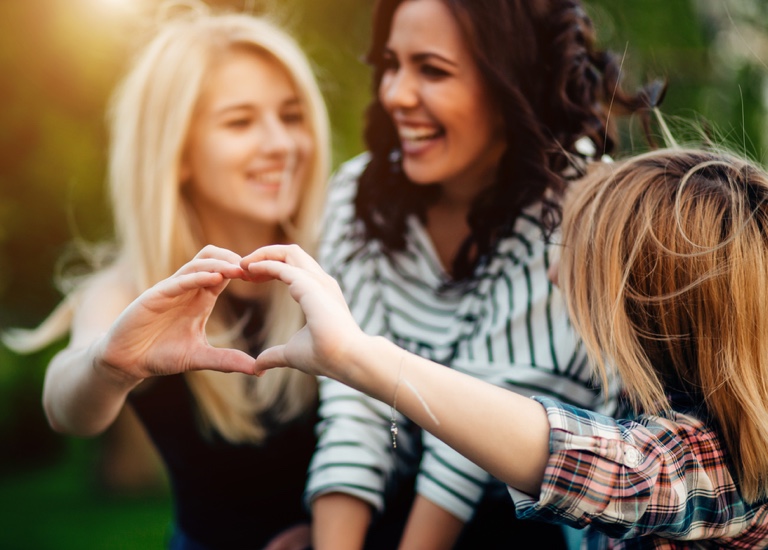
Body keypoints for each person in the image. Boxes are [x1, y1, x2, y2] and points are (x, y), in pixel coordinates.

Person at [240, 146, 768, 548]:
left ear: (648, 308)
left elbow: (619, 469)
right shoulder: (628, 398)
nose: (556, 274)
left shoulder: (726, 466)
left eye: (582, 259)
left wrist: (358, 357)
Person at [305, 0, 660, 547]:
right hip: (396, 504)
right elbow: (353, 401)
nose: (396, 94)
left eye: (433, 70)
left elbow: (472, 441)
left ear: (511, 81)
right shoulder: (357, 194)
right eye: (392, 64)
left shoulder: (578, 208)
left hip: (541, 524)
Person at [2, 3, 330, 549]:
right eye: (240, 121)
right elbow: (66, 403)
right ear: (177, 152)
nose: (280, 143)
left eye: (291, 115)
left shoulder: (337, 261)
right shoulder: (129, 289)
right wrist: (109, 365)